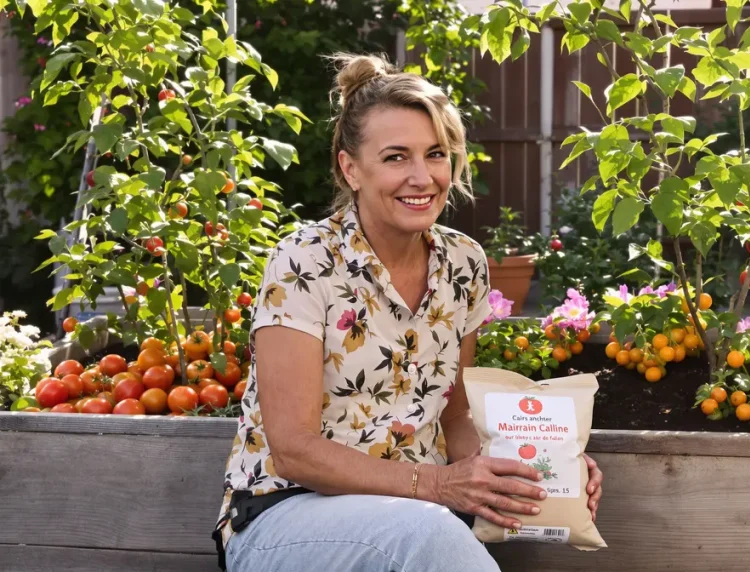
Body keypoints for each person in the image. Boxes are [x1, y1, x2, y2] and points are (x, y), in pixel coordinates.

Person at [211, 52, 604, 572]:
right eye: (396, 157)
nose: (423, 177)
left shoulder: (463, 263)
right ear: (350, 168)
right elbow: (294, 451)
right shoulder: (305, 260)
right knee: (429, 535)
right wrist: (437, 485)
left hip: (422, 520)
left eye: (436, 154)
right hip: (286, 517)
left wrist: (541, 472)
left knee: (430, 533)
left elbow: (456, 413)